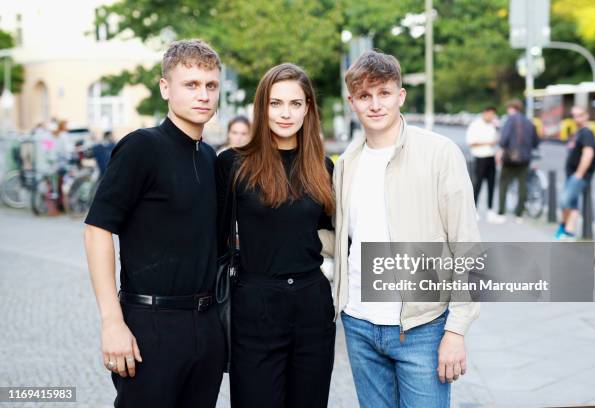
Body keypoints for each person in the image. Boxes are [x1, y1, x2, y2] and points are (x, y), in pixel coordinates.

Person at [331, 50, 480, 408]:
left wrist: (456, 329)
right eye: (365, 96)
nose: (375, 104)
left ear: (401, 95)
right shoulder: (346, 163)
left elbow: (468, 245)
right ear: (352, 102)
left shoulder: (440, 153)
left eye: (384, 93)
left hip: (423, 327)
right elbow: (341, 240)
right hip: (359, 325)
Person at [83, 39, 225, 408]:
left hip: (206, 325)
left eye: (210, 85)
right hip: (151, 324)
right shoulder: (141, 147)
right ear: (166, 88)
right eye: (190, 85)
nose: (203, 95)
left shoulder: (210, 157)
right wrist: (111, 322)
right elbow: (97, 229)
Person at [216, 63, 336, 408]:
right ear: (262, 107)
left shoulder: (323, 166)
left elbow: (335, 234)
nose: (285, 113)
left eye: (295, 104)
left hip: (312, 306)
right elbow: (216, 242)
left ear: (308, 108)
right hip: (255, 305)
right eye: (275, 103)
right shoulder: (234, 164)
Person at [556, 106, 595, 240]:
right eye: (574, 115)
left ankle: (565, 229)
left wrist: (579, 173)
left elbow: (588, 154)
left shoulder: (587, 133)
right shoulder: (578, 132)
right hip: (572, 174)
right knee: (571, 203)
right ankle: (567, 231)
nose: (576, 118)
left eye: (580, 115)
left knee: (565, 201)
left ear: (586, 116)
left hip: (578, 175)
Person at [494, 99, 539, 223]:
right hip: (525, 159)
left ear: (510, 108)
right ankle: (519, 214)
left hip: (510, 158)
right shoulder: (529, 121)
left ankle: (501, 213)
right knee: (522, 185)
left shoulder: (510, 120)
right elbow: (536, 142)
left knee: (503, 184)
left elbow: (503, 140)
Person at [466, 106, 499, 222]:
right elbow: (471, 142)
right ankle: (473, 210)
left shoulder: (492, 126)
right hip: (479, 157)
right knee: (477, 185)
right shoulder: (475, 125)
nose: (492, 117)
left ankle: (490, 210)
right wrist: (487, 143)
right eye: (490, 114)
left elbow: (495, 140)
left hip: (491, 157)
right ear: (485, 113)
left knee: (491, 185)